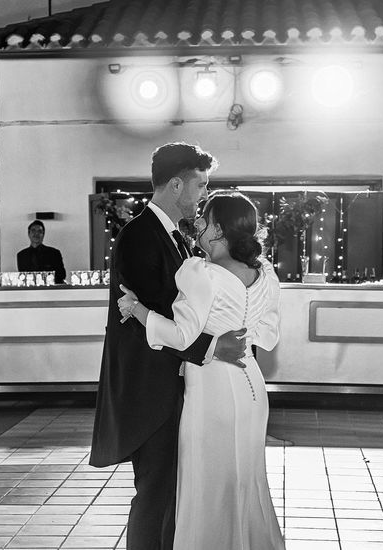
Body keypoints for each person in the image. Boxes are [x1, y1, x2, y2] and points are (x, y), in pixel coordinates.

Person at [89, 143, 249, 550]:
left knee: (170, 494)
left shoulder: (173, 236)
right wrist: (212, 349)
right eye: (200, 185)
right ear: (176, 184)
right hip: (149, 391)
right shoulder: (139, 236)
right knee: (156, 495)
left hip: (170, 386)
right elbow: (159, 318)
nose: (203, 196)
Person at [117, 191, 284, 550]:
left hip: (212, 386)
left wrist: (137, 308)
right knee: (245, 477)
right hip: (249, 380)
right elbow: (268, 336)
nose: (198, 227)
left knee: (206, 479)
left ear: (220, 230)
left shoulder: (200, 272)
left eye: (204, 221)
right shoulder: (265, 273)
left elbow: (180, 335)